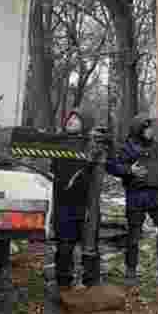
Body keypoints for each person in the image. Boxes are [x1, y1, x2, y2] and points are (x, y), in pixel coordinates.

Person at [107, 113, 158, 287]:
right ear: (139, 130)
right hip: (137, 195)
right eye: (147, 128)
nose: (151, 131)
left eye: (151, 127)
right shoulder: (127, 147)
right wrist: (130, 170)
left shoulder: (156, 146)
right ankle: (131, 271)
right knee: (134, 235)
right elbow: (113, 166)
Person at [48, 108, 102, 293]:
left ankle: (91, 283)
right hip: (63, 202)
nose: (71, 120)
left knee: (90, 245)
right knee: (65, 244)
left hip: (86, 204)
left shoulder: (92, 145)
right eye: (69, 117)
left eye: (76, 118)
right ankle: (63, 282)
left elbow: (107, 167)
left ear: (85, 123)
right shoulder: (57, 142)